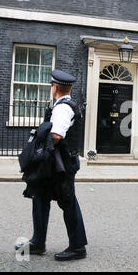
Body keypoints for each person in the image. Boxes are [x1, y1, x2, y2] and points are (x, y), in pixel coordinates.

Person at [15, 69, 88, 261]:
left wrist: (39, 151)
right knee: (40, 196)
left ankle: (78, 247)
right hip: (55, 162)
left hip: (61, 163)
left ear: (55, 87)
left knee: (67, 201)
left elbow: (56, 136)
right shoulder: (63, 104)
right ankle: (38, 242)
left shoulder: (63, 108)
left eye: (52, 86)